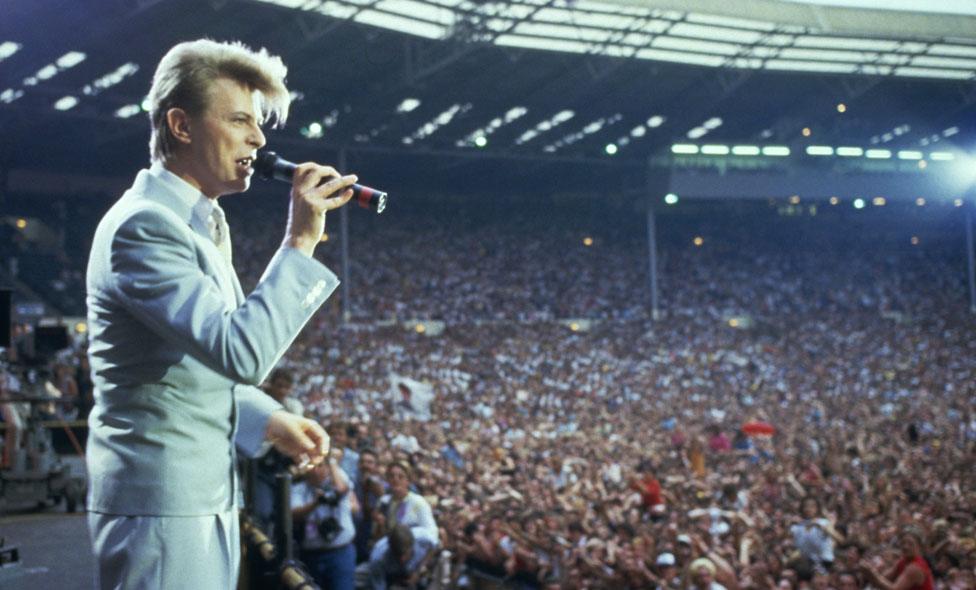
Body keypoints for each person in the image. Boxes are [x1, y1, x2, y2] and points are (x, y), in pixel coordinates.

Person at [84, 38, 358, 589]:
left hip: (192, 496)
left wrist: (267, 420)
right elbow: (240, 352)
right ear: (182, 125)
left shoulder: (197, 222)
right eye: (239, 120)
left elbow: (191, 365)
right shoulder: (146, 226)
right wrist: (300, 243)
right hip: (162, 506)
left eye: (257, 123)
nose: (258, 138)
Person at [292, 453, 359, 590]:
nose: (316, 470)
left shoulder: (337, 477)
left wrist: (332, 461)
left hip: (340, 553)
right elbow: (294, 515)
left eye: (321, 465)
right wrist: (315, 503)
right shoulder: (299, 487)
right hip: (312, 555)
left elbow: (341, 489)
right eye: (312, 466)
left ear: (328, 467)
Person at [859, 526, 935, 590]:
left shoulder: (915, 568)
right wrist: (871, 570)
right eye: (903, 543)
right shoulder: (903, 561)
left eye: (910, 544)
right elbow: (884, 578)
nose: (905, 546)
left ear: (919, 547)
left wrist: (872, 574)